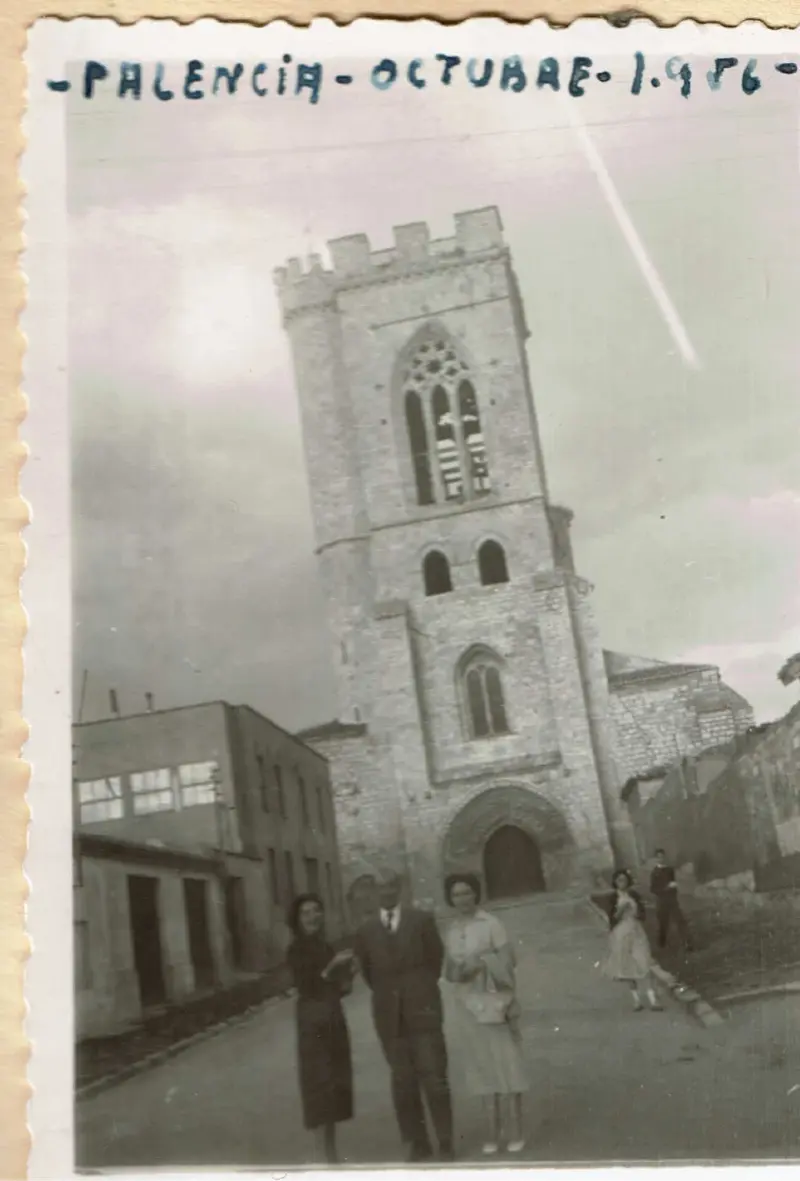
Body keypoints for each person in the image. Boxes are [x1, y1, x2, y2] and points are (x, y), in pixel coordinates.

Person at [354, 870, 454, 1163]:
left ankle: (446, 1139)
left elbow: (435, 962)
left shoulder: (421, 921)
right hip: (389, 1017)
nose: (385, 892)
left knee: (435, 1077)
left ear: (398, 889)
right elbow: (370, 974)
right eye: (380, 888)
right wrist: (391, 996)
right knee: (403, 1081)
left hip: (422, 1010)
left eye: (390, 886)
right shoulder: (366, 931)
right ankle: (417, 1142)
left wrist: (417, 990)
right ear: (374, 893)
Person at [442, 872, 528, 1156]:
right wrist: (458, 971)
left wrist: (481, 965)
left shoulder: (491, 924)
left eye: (467, 893)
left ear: (475, 894)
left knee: (505, 1062)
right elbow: (449, 972)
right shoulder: (452, 930)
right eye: (456, 895)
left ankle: (514, 1130)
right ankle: (492, 1132)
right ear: (450, 899)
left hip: (494, 1002)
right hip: (467, 1006)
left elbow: (508, 961)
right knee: (480, 1067)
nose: (462, 899)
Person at [286, 892, 356, 1165]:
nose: (313, 916)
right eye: (306, 913)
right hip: (312, 1022)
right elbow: (307, 985)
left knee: (335, 1085)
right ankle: (322, 1156)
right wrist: (332, 968)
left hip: (332, 1017)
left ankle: (332, 1154)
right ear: (297, 919)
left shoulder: (325, 946)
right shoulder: (296, 949)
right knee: (319, 1085)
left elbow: (338, 989)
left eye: (317, 911)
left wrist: (348, 975)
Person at [601, 869, 676, 1012]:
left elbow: (642, 914)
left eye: (624, 880)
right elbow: (612, 919)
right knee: (627, 967)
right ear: (615, 882)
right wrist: (621, 909)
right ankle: (636, 1000)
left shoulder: (633, 894)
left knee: (645, 963)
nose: (622, 883)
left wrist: (635, 911)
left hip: (636, 931)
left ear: (628, 881)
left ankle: (653, 1000)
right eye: (619, 880)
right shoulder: (612, 897)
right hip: (621, 933)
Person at [650, 849, 693, 951]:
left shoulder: (670, 870)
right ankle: (662, 943)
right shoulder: (654, 872)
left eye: (662, 856)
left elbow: (673, 884)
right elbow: (653, 889)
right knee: (663, 923)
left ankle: (687, 942)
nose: (661, 859)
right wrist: (666, 888)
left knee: (680, 921)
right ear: (656, 859)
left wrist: (673, 888)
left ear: (665, 857)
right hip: (662, 901)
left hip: (672, 900)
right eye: (658, 857)